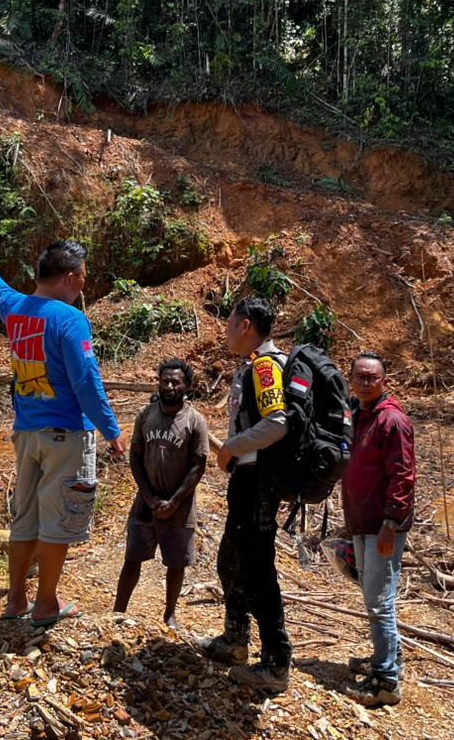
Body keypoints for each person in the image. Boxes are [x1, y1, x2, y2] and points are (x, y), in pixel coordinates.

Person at [0, 240, 127, 628]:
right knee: (57, 521)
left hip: (26, 435)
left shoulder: (16, 308)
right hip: (65, 436)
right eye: (83, 277)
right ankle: (45, 604)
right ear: (69, 277)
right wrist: (111, 430)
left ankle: (15, 600)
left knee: (24, 518)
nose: (84, 285)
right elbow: (85, 380)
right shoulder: (70, 319)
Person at [200, 296, 292, 692]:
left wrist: (231, 448)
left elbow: (278, 423)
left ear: (246, 325)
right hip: (249, 479)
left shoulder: (267, 367)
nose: (225, 330)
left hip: (257, 480)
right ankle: (235, 640)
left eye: (229, 322)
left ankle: (275, 663)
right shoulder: (256, 365)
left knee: (256, 569)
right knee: (231, 560)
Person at [340, 352, 415, 707]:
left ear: (384, 381)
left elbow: (403, 475)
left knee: (379, 603)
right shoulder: (358, 416)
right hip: (362, 521)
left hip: (383, 526)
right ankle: (389, 660)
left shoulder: (392, 421)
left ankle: (386, 680)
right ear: (350, 379)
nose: (366, 382)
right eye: (360, 377)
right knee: (376, 600)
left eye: (373, 377)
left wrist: (391, 522)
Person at [113, 358, 209, 629]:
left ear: (186, 386)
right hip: (146, 503)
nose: (169, 386)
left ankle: (169, 613)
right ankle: (118, 610)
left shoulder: (195, 421)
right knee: (132, 558)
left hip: (180, 507)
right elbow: (135, 456)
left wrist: (174, 501)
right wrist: (149, 496)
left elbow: (198, 466)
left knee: (176, 563)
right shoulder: (145, 414)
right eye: (165, 380)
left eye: (175, 382)